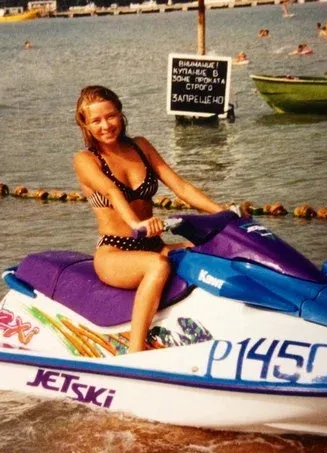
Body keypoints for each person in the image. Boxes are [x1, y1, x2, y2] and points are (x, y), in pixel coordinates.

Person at [73, 86, 224, 353]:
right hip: (115, 252)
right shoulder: (85, 160)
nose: (106, 125)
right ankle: (135, 351)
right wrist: (136, 224)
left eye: (111, 116)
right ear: (84, 124)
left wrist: (224, 212)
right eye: (96, 120)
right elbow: (111, 191)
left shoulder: (141, 146)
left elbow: (181, 186)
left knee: (216, 250)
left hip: (155, 245)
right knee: (158, 266)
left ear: (120, 114)